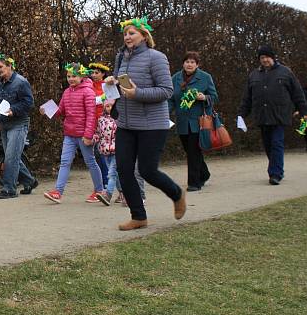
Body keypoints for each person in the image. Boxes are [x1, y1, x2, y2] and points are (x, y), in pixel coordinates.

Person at [105, 16, 184, 231]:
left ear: (144, 35)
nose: (127, 36)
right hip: (126, 124)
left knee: (148, 171)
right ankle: (138, 216)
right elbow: (122, 85)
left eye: (132, 33)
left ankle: (177, 194)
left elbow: (167, 90)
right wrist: (112, 82)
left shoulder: (156, 57)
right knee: (124, 170)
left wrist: (138, 93)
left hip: (152, 124)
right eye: (125, 33)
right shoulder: (121, 57)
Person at [237, 44, 307, 185]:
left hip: (279, 115)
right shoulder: (254, 75)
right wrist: (241, 114)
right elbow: (247, 97)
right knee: (268, 145)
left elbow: (297, 93)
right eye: (262, 57)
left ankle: (275, 173)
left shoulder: (285, 72)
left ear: (273, 57)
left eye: (267, 57)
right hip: (262, 116)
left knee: (277, 143)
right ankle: (276, 169)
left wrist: (304, 110)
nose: (265, 60)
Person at [41, 63, 109, 205]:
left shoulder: (88, 92)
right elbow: (60, 111)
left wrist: (88, 135)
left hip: (83, 134)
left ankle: (99, 190)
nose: (71, 79)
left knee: (90, 162)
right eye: (68, 76)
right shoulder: (67, 92)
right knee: (65, 162)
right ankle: (58, 192)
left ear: (82, 76)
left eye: (74, 76)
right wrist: (47, 110)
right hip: (69, 133)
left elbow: (91, 116)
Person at [169, 51, 219, 191]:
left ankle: (194, 182)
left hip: (199, 121)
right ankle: (204, 173)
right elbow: (171, 99)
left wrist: (204, 98)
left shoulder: (205, 77)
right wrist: (165, 114)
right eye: (187, 62)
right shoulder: (175, 78)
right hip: (182, 121)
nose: (189, 64)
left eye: (192, 62)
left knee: (193, 151)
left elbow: (214, 97)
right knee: (190, 150)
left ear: (197, 64)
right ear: (183, 63)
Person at [0, 54, 38, 198]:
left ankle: (9, 189)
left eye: (1, 66)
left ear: (10, 66)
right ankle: (30, 181)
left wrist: (14, 110)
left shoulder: (20, 82)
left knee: (10, 158)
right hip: (5, 125)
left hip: (19, 124)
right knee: (12, 157)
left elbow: (29, 102)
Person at [88, 62, 111, 188]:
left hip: (105, 123)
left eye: (97, 72)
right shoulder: (89, 85)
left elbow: (109, 99)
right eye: (92, 73)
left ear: (103, 74)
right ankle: (103, 179)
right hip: (92, 122)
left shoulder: (106, 86)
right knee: (97, 153)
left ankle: (107, 179)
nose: (94, 75)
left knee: (104, 152)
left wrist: (97, 100)